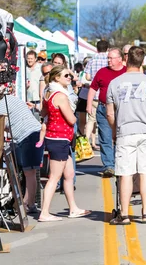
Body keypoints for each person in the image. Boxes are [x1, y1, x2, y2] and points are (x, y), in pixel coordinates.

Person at [106, 46, 146, 225]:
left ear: (126, 59)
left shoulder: (115, 83)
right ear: (142, 62)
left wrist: (115, 130)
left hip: (125, 131)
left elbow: (110, 114)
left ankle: (124, 214)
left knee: (126, 173)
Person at [38, 65, 91, 221]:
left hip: (58, 137)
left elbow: (43, 112)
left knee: (69, 174)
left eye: (70, 75)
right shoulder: (60, 96)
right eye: (66, 75)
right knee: (54, 177)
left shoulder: (49, 93)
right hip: (59, 137)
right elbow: (71, 119)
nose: (70, 77)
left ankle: (73, 208)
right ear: (57, 78)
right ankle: (45, 212)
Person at [0, 76, 44, 215]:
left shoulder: (2, 104)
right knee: (30, 172)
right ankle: (29, 203)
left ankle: (26, 204)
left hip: (28, 135)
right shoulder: (13, 99)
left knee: (29, 172)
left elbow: (2, 125)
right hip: (32, 134)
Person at [87, 47, 126, 177]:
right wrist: (89, 105)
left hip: (121, 110)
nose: (108, 60)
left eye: (111, 58)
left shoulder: (126, 73)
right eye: (108, 58)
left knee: (121, 138)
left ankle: (119, 164)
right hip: (103, 109)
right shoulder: (102, 72)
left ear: (120, 59)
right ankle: (109, 166)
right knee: (105, 138)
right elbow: (93, 88)